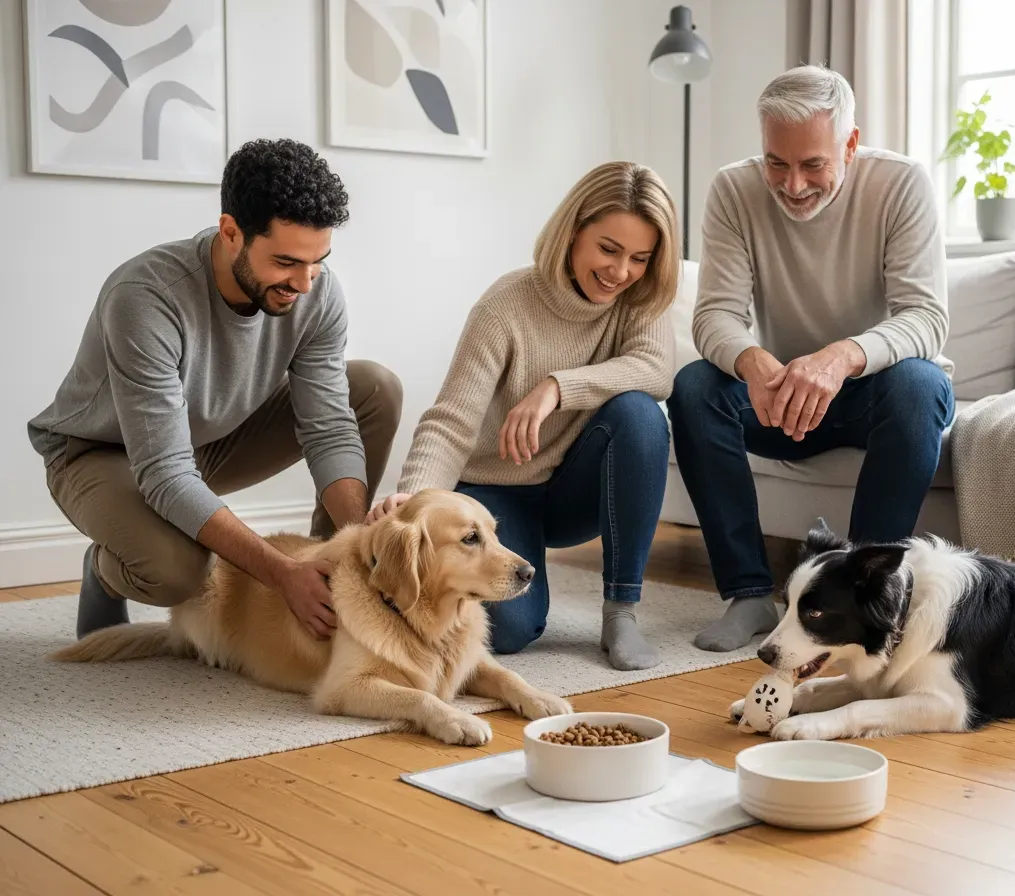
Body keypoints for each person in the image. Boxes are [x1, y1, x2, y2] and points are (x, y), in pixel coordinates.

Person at [30, 137, 403, 642]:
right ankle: (105, 568)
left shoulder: (317, 290)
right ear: (231, 232)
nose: (306, 283)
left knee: (374, 387)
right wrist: (279, 573)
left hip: (209, 441)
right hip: (100, 455)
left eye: (318, 261)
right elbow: (165, 473)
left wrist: (359, 548)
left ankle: (326, 573)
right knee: (179, 572)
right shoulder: (146, 297)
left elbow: (330, 428)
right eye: (287, 262)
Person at [667, 64, 955, 652]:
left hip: (869, 392)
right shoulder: (733, 189)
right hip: (780, 398)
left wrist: (841, 358)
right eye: (777, 162)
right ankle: (748, 595)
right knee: (696, 387)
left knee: (918, 385)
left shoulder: (900, 184)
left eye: (813, 164)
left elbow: (925, 317)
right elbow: (713, 315)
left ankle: (867, 597)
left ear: (850, 144)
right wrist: (753, 362)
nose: (793, 184)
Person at [367, 161, 679, 671]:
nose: (621, 272)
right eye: (608, 248)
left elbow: (655, 370)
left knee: (642, 415)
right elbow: (451, 420)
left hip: (572, 492)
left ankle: (621, 611)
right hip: (495, 495)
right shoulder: (506, 306)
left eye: (640, 258)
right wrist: (417, 496)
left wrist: (557, 387)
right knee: (510, 632)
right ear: (573, 231)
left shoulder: (640, 300)